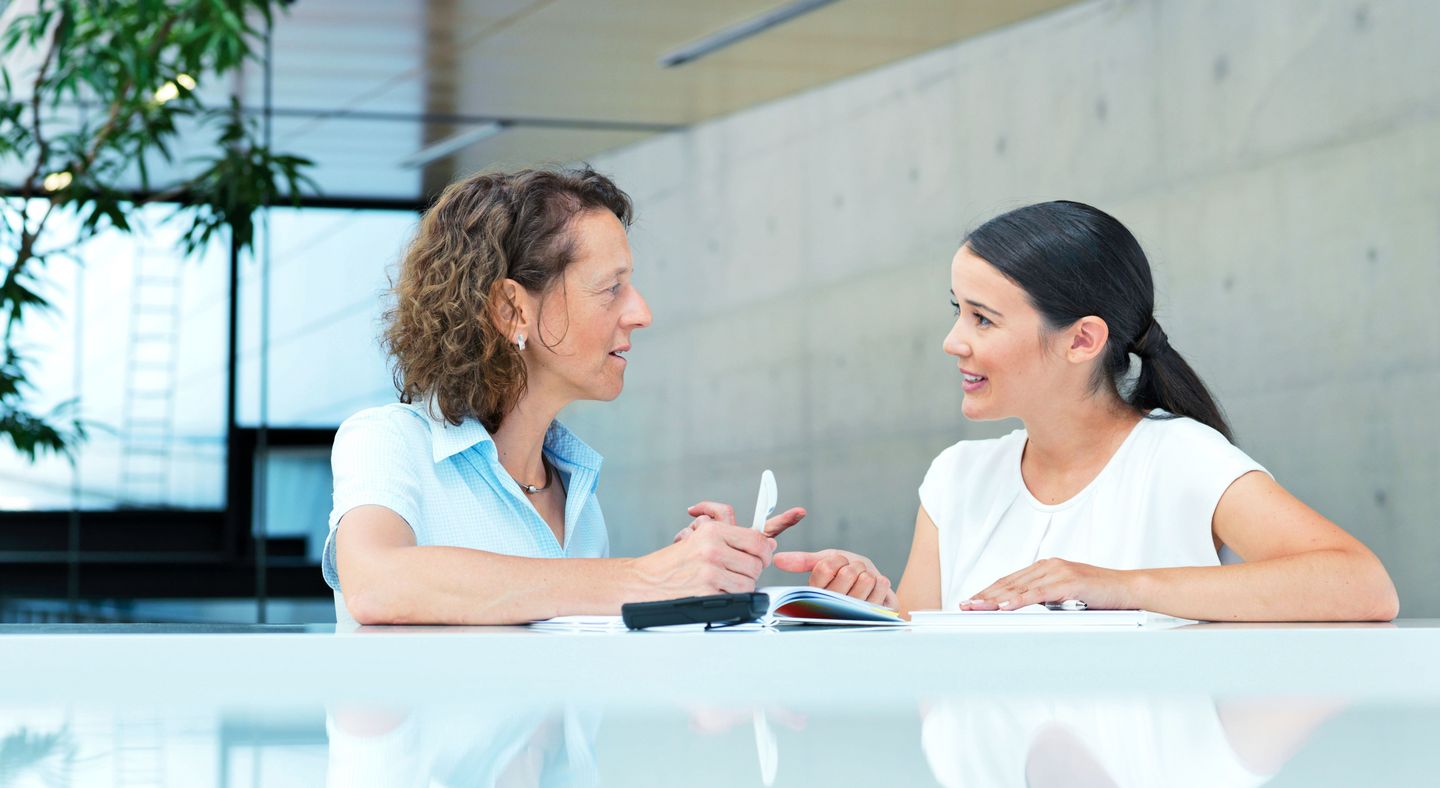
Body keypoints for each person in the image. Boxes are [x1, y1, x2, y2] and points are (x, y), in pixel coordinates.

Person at [778, 200, 1399, 622]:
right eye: (957, 310)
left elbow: (1364, 584)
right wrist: (864, 601)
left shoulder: (1178, 456)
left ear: (1082, 339)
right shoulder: (955, 478)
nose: (954, 341)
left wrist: (1123, 588)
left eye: (983, 318)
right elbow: (918, 657)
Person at [322, 167, 804, 626]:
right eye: (611, 288)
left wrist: (692, 581)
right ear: (513, 309)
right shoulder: (388, 442)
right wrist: (644, 578)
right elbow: (376, 582)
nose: (641, 312)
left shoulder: (577, 498)